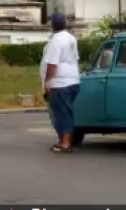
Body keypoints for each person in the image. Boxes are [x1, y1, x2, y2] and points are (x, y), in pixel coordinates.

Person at [40, 12, 80, 153]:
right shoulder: (71, 38)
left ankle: (65, 143)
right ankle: (63, 140)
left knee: (60, 113)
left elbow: (52, 64)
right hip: (73, 80)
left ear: (52, 25)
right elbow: (75, 58)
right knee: (65, 111)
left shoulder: (56, 41)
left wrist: (48, 82)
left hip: (60, 82)